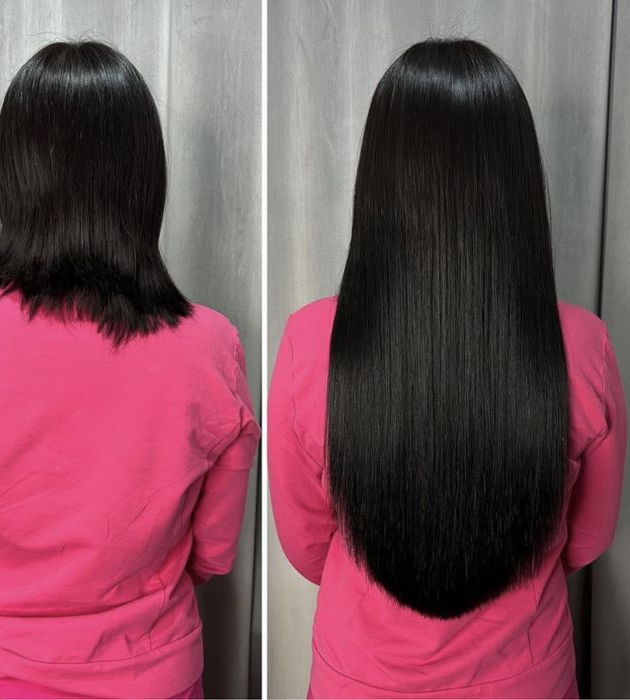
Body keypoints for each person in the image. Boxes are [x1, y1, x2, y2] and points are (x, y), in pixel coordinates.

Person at [0, 40, 260, 699]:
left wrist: (13, 595)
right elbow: (212, 553)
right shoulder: (211, 346)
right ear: (142, 179)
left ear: (14, 173)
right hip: (154, 677)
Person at [268, 37, 627, 699]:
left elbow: (305, 545)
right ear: (515, 182)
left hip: (359, 679)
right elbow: (585, 539)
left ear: (380, 179)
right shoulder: (584, 346)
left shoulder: (310, 342)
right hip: (526, 679)